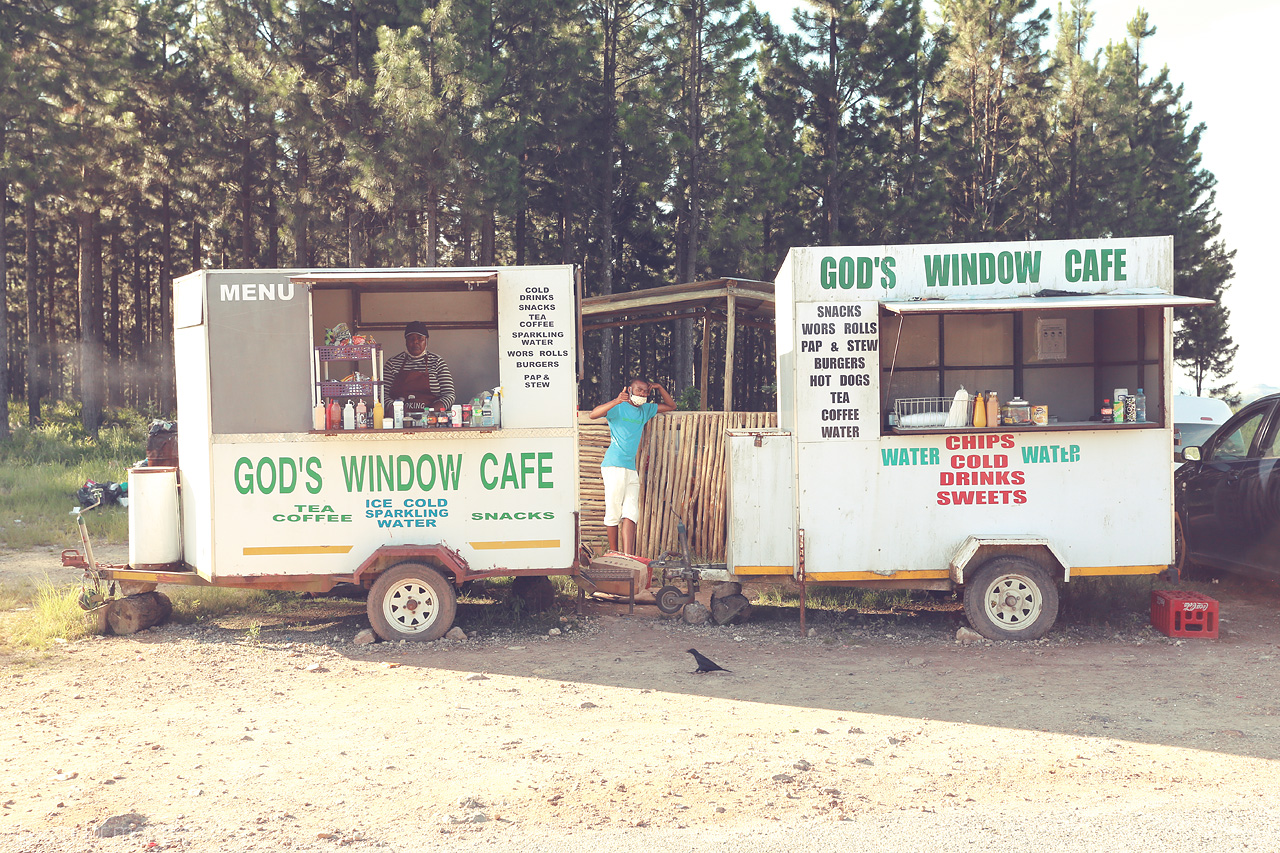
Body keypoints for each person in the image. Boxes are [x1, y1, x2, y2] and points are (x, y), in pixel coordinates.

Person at [589, 377, 676, 555]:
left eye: (646, 392)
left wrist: (659, 387)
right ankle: (614, 553)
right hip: (614, 466)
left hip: (630, 469)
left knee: (631, 513)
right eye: (639, 391)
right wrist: (616, 400)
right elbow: (593, 414)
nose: (642, 394)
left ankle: (628, 556)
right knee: (613, 512)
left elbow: (671, 406)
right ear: (630, 389)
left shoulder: (645, 410)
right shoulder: (618, 408)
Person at [384, 320, 456, 414]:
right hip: (400, 419)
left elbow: (449, 395)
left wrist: (430, 412)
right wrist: (399, 411)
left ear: (426, 340)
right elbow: (382, 396)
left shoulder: (437, 362)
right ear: (406, 341)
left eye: (420, 338)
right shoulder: (392, 363)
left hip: (431, 420)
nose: (415, 342)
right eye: (411, 339)